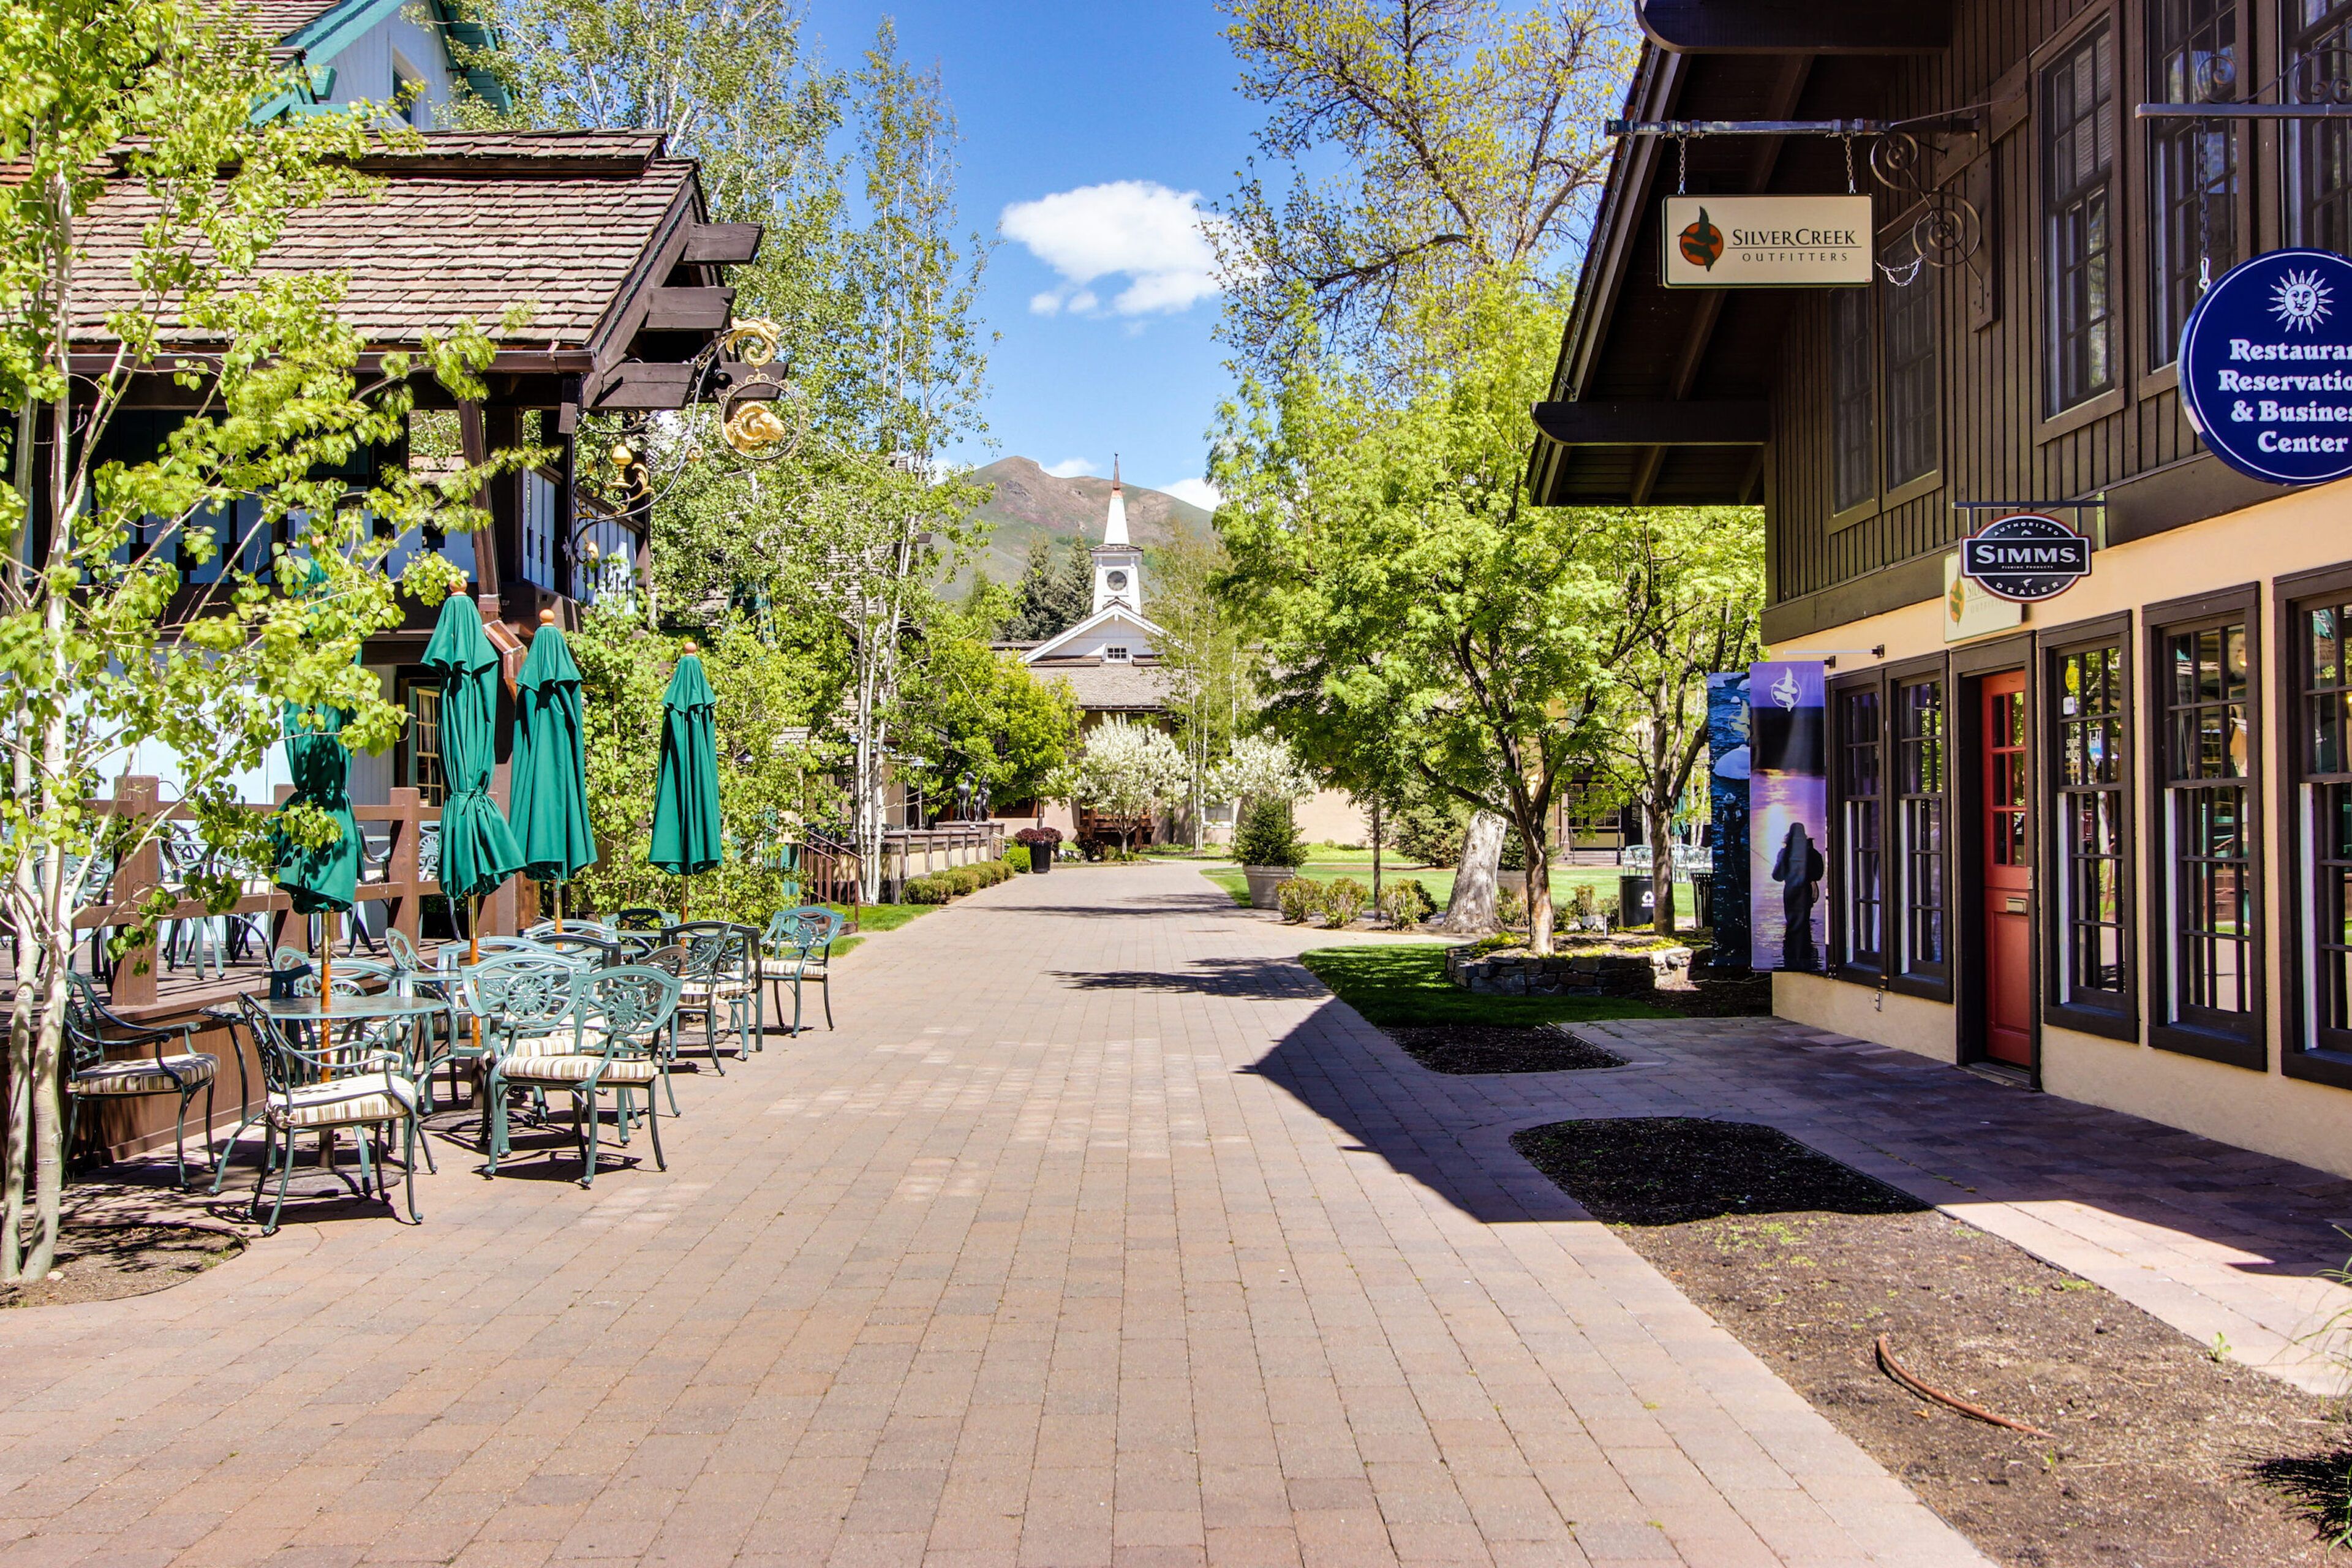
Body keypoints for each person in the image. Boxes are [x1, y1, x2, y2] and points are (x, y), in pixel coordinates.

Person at [1770, 821, 1824, 972]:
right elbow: (1818, 874)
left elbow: (1777, 876)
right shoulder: (1812, 853)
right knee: (1804, 924)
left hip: (1790, 892)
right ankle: (1804, 957)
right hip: (1805, 891)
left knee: (1791, 924)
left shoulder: (1784, 853)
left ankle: (1791, 958)